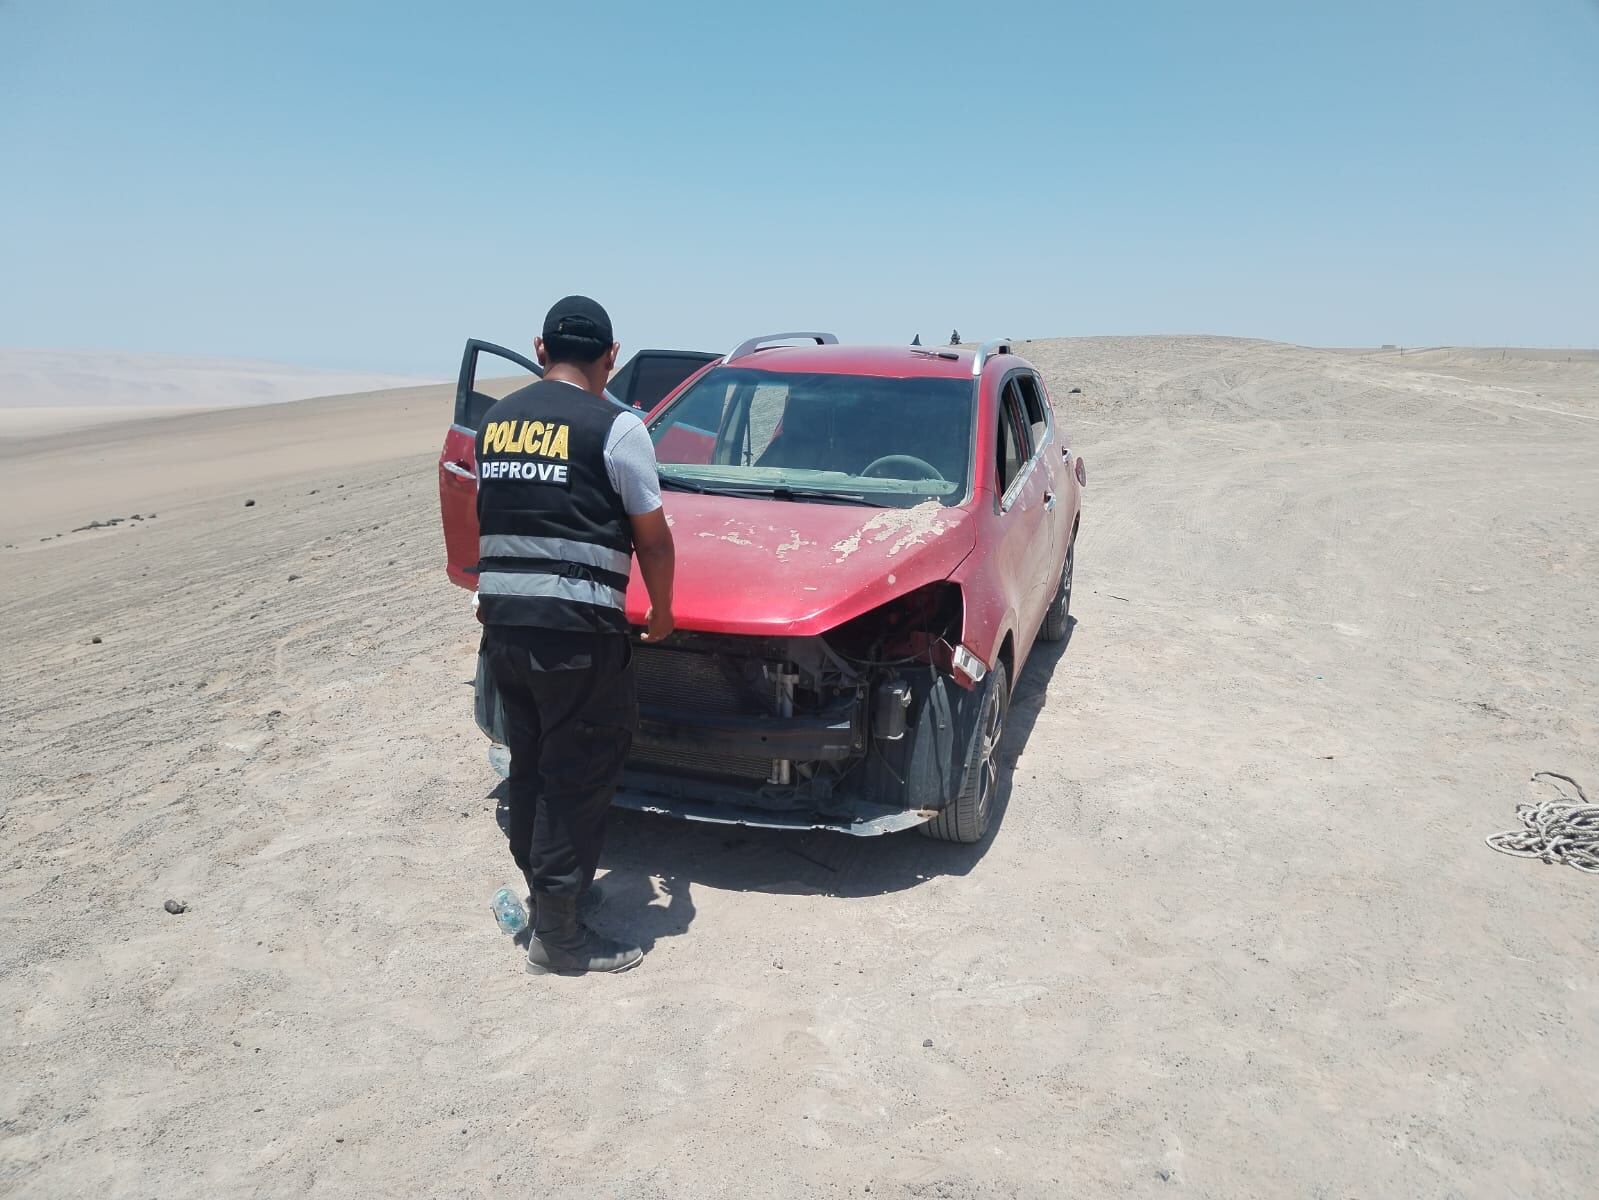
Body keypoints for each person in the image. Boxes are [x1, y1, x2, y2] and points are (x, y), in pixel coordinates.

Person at [474, 296, 675, 975]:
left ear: (540, 348)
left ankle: (548, 897)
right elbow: (653, 538)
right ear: (611, 356)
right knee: (578, 776)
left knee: (531, 768)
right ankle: (559, 940)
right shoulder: (616, 428)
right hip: (577, 634)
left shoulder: (495, 422)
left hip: (505, 628)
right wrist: (663, 610)